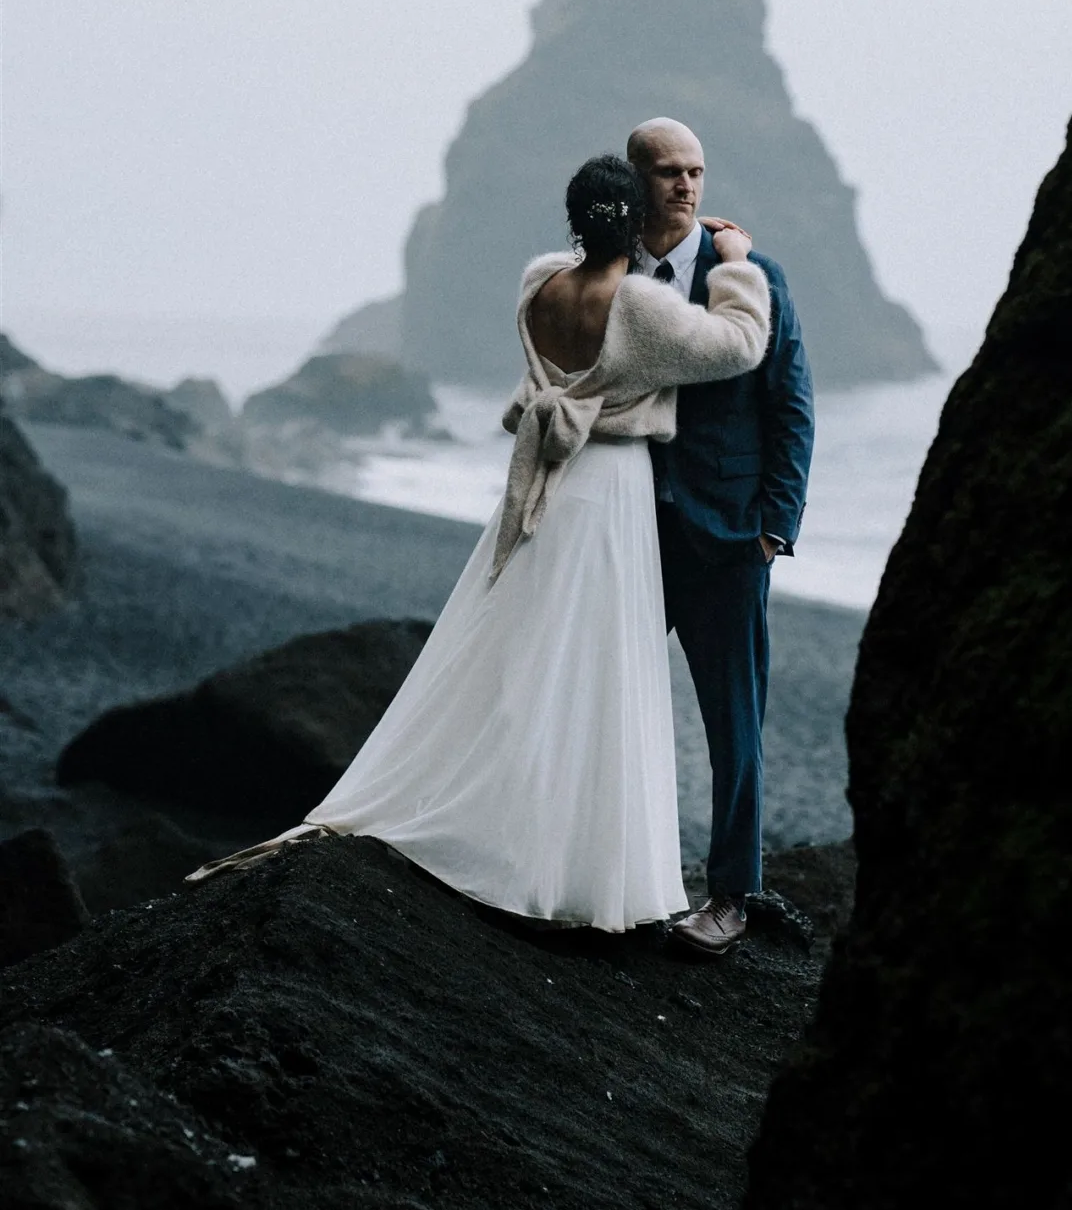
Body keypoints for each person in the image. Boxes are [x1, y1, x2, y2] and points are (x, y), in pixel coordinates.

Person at [188, 154, 770, 935]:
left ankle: (507, 821)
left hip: (544, 484)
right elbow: (736, 344)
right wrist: (736, 265)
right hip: (608, 489)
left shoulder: (539, 284)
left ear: (573, 221)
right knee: (593, 666)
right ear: (634, 223)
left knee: (525, 648)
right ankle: (562, 860)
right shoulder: (639, 305)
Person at [626, 118, 814, 958]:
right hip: (629, 534)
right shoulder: (616, 274)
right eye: (668, 171)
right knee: (609, 702)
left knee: (734, 726)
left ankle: (732, 897)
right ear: (638, 182)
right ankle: (614, 871)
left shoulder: (751, 274)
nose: (686, 186)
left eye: (695, 170)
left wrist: (775, 527)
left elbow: (792, 408)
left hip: (733, 538)